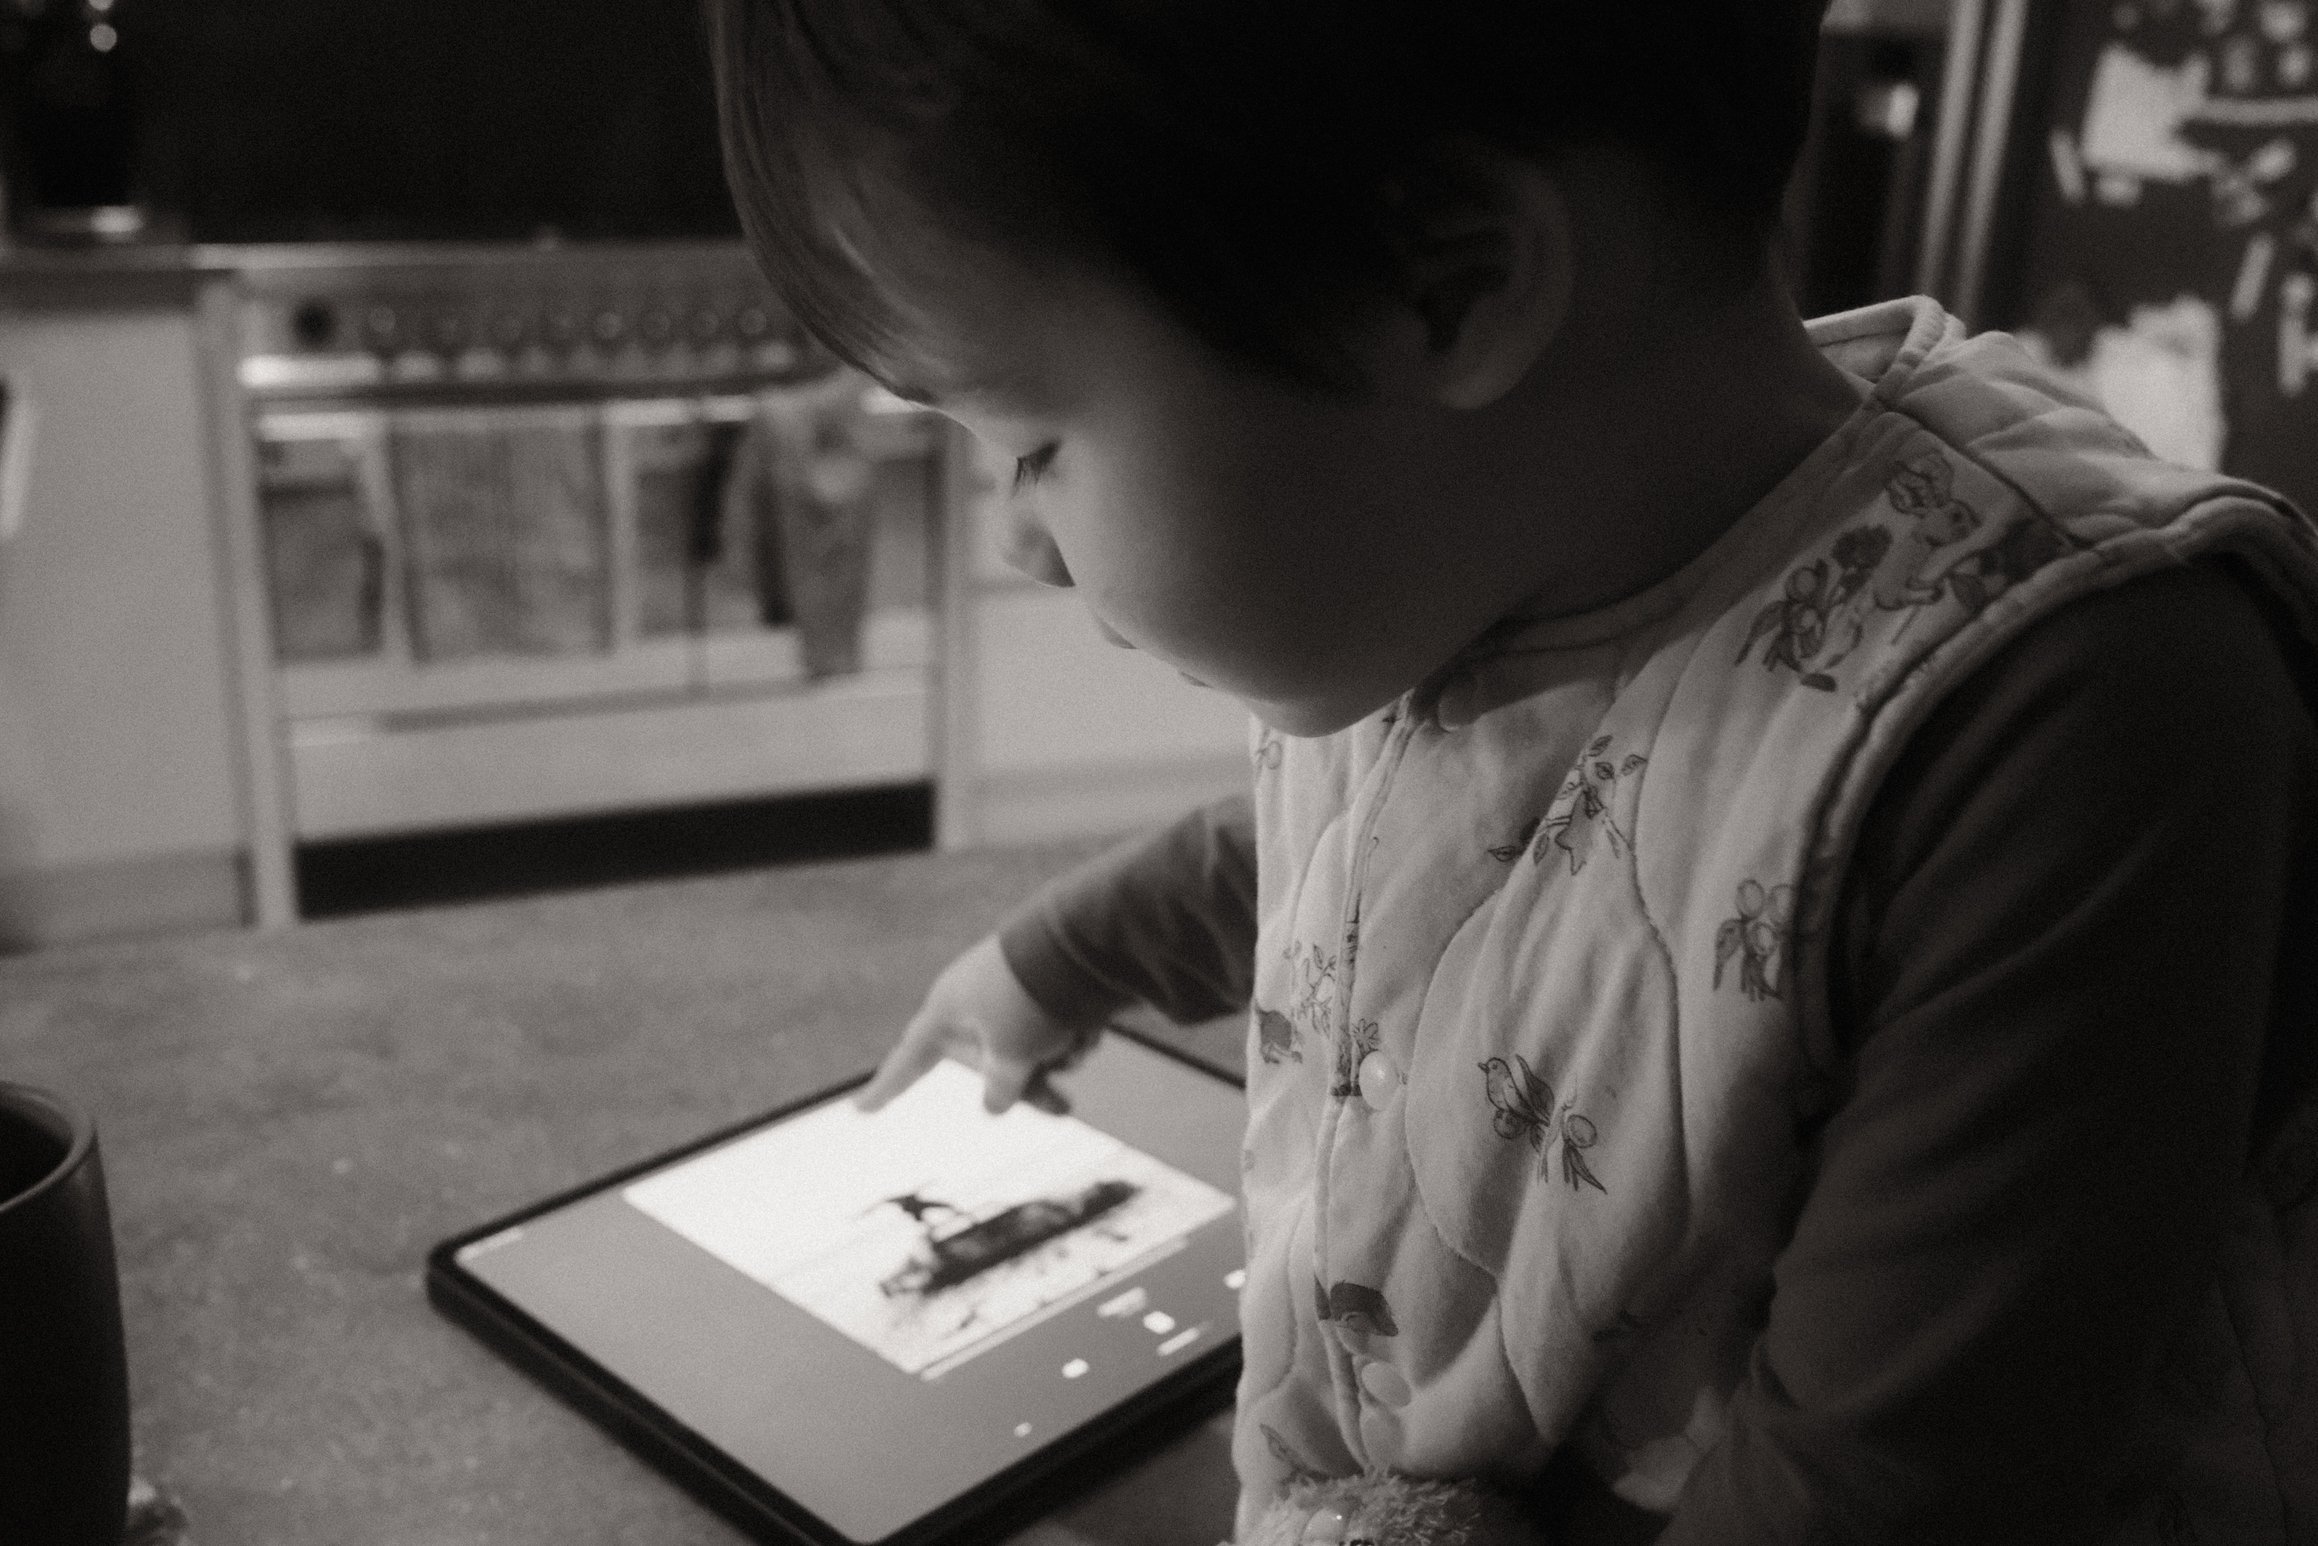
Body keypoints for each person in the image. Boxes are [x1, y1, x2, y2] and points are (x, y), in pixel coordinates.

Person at [703, 4, 2318, 1541]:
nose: (1016, 542)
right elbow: (1401, 863)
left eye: (1028, 441)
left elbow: (1885, 1488)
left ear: (1446, 283)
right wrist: (1054, 956)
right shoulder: (1481, 549)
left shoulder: (2069, 713)